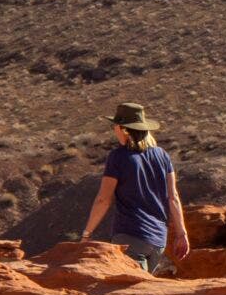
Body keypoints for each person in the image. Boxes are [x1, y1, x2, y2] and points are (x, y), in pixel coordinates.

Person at [79, 103, 190, 272]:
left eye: (114, 125)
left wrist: (86, 235)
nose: (114, 129)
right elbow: (173, 197)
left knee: (129, 286)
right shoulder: (162, 155)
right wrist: (182, 234)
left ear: (123, 129)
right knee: (142, 285)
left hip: (130, 236)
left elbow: (103, 200)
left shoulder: (118, 157)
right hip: (158, 240)